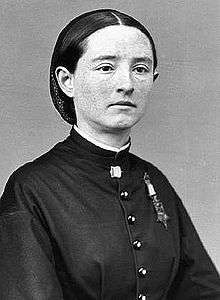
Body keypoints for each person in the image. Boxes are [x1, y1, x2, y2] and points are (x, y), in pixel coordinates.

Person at [0, 8, 219, 300]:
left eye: (140, 69)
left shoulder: (153, 180)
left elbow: (203, 290)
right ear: (67, 81)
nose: (126, 84)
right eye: (106, 67)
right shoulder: (31, 188)